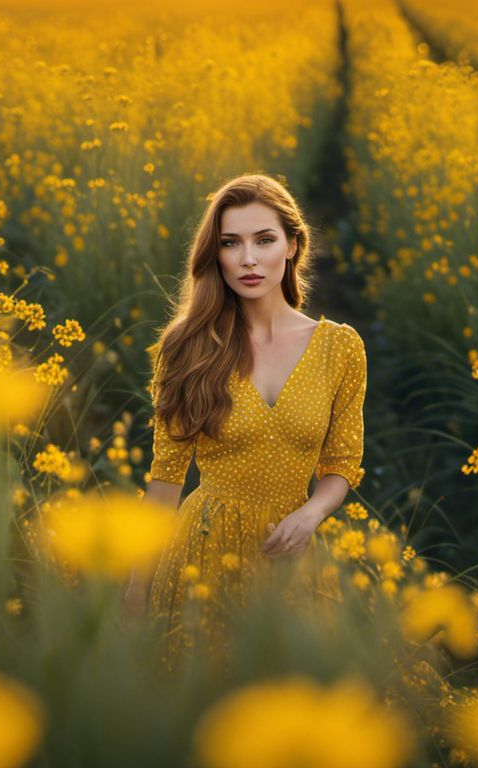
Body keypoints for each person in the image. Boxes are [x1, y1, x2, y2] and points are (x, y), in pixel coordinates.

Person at [122, 173, 367, 673]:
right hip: (202, 551)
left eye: (264, 240)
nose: (248, 259)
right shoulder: (187, 347)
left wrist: (311, 514)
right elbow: (166, 481)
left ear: (293, 246)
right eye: (231, 243)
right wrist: (135, 591)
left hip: (291, 556)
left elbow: (342, 463)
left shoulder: (340, 348)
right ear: (216, 256)